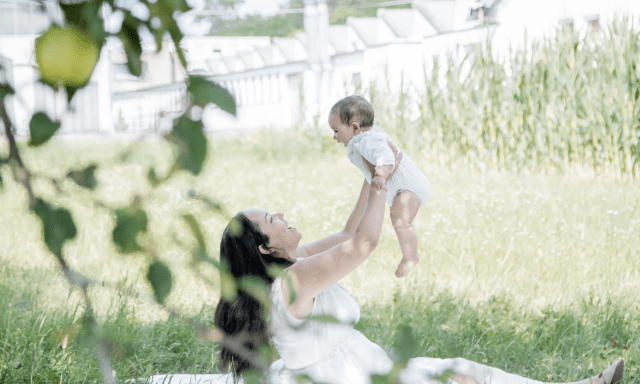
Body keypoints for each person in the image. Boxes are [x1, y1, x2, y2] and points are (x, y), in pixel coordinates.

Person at [140, 149, 623, 384]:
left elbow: (350, 235)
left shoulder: (297, 266)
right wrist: (379, 185)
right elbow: (364, 246)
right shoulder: (294, 281)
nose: (284, 216)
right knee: (462, 376)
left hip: (361, 366)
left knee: (464, 373)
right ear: (265, 247)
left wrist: (373, 173)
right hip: (350, 378)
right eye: (273, 219)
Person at [328, 95, 430, 278]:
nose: (335, 137)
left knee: (400, 220)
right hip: (401, 189)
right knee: (396, 218)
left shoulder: (368, 139)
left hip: (410, 187)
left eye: (336, 131)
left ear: (355, 127)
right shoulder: (362, 141)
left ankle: (411, 256)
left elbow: (387, 157)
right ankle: (410, 256)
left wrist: (381, 177)